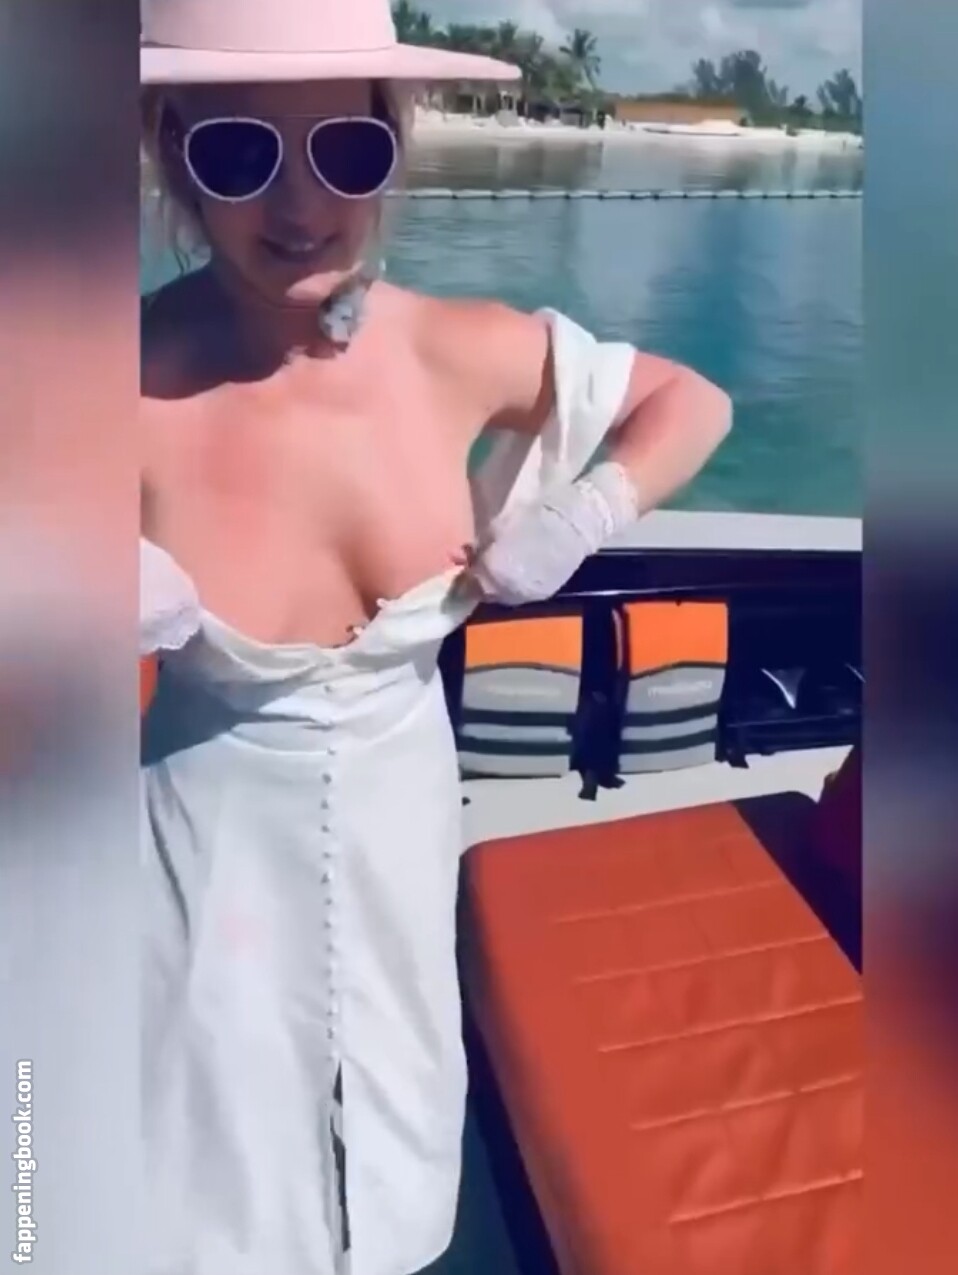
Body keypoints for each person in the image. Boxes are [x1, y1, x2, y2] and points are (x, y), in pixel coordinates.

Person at [139, 2, 732, 1273]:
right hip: (192, 849)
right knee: (200, 1151)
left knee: (399, 1108)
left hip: (401, 819)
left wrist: (585, 512)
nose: (301, 205)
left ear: (389, 147)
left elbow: (691, 401)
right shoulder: (97, 378)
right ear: (173, 146)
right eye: (242, 152)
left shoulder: (453, 351)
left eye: (344, 152)